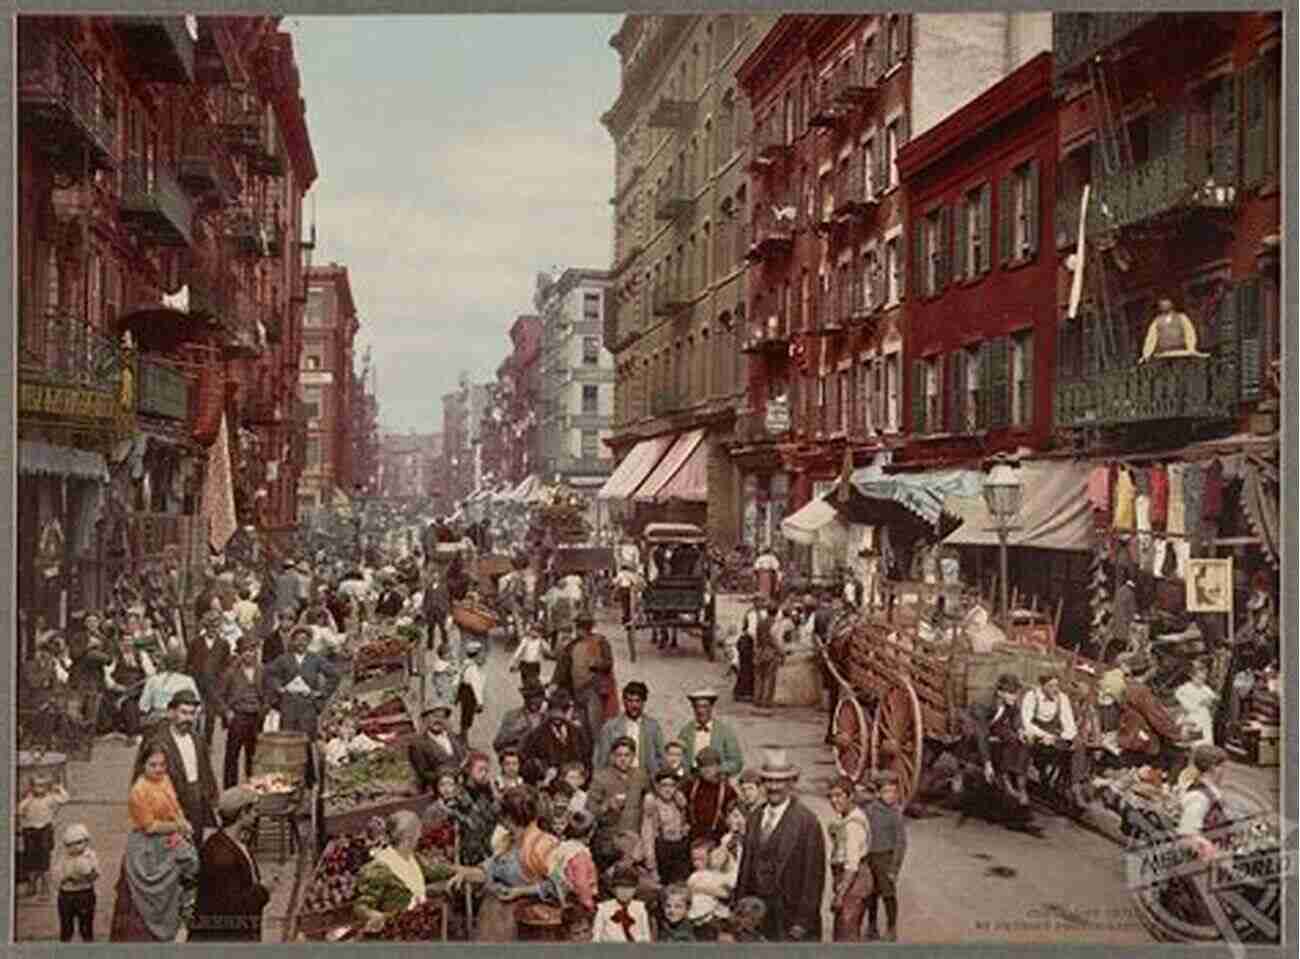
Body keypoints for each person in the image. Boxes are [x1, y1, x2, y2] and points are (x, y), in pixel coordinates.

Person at [733, 749, 827, 942]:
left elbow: (814, 878)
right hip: (757, 914)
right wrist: (739, 907)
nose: (774, 787)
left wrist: (803, 922)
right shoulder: (755, 816)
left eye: (780, 781)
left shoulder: (807, 822)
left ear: (791, 784)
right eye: (769, 781)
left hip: (789, 916)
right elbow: (746, 867)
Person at [110, 743, 200, 942]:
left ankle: (178, 921)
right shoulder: (138, 791)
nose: (159, 769)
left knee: (189, 868)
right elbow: (149, 827)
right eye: (153, 765)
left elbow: (175, 806)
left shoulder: (165, 779)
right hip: (147, 846)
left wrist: (182, 821)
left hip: (170, 836)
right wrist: (177, 828)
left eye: (162, 765)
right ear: (142, 765)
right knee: (147, 896)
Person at [354, 810, 482, 937]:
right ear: (408, 837)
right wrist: (373, 915)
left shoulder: (413, 859)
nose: (420, 836)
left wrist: (469, 871)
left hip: (415, 928)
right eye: (418, 833)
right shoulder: (378, 868)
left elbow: (439, 870)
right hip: (392, 935)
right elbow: (361, 905)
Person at [132, 689, 218, 838]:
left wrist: (211, 799)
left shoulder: (197, 740)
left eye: (192, 714)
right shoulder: (158, 742)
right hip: (169, 804)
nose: (188, 719)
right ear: (171, 713)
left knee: (194, 847)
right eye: (183, 713)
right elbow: (140, 776)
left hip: (196, 802)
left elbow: (206, 772)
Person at [189, 786, 270, 941]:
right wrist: (264, 890)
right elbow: (233, 908)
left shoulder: (229, 842)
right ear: (242, 813)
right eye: (253, 810)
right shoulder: (221, 856)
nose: (256, 814)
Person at [263, 624, 340, 785]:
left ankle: (309, 779)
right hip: (289, 707)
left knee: (306, 743)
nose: (301, 643)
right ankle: (290, 780)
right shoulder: (284, 659)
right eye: (297, 640)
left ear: (309, 642)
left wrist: (321, 693)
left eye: (304, 640)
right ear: (292, 641)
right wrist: (279, 688)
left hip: (307, 708)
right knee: (289, 744)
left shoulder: (315, 659)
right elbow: (269, 674)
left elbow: (334, 675)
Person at [967, 673, 1032, 805]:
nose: (1015, 696)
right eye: (1011, 693)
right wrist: (987, 763)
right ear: (1000, 692)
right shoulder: (983, 704)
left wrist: (1020, 730)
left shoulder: (1009, 701)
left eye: (1016, 693)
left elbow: (1016, 715)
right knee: (973, 738)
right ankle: (1002, 778)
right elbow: (981, 734)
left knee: (1015, 739)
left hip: (993, 725)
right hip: (973, 729)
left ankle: (1009, 775)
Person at [552, 613, 617, 743]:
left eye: (584, 627)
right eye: (580, 626)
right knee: (580, 728)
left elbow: (608, 663)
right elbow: (562, 667)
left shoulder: (600, 642)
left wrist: (596, 665)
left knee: (595, 727)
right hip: (576, 692)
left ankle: (598, 755)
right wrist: (554, 683)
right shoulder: (571, 646)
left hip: (594, 690)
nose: (582, 630)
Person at [215, 636, 267, 789]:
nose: (249, 654)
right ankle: (230, 791)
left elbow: (268, 693)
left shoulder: (262, 670)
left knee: (254, 755)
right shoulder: (231, 672)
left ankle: (253, 789)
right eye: (245, 651)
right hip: (238, 716)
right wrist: (227, 712)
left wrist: (265, 709)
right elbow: (219, 696)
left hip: (256, 717)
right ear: (239, 653)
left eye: (252, 650)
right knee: (232, 755)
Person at [1021, 672, 1080, 804]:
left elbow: (1069, 724)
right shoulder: (1031, 696)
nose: (1055, 689)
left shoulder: (1062, 698)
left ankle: (1075, 787)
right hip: (1035, 734)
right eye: (1051, 686)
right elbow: (1026, 722)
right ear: (1042, 686)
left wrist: (1061, 738)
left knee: (1076, 746)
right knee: (1026, 746)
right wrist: (1044, 735)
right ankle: (1021, 786)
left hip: (1053, 736)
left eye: (1057, 685)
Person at [862, 771, 907, 941]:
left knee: (888, 895)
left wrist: (894, 868)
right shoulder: (869, 810)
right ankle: (872, 926)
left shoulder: (895, 814)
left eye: (894, 792)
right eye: (887, 792)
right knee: (871, 895)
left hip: (886, 859)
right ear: (879, 793)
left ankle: (891, 927)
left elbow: (900, 843)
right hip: (870, 858)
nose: (891, 796)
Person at [826, 776, 872, 941]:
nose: (834, 801)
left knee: (846, 933)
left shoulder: (853, 825)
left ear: (850, 796)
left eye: (839, 796)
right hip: (850, 882)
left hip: (854, 883)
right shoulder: (846, 816)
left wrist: (840, 895)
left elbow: (852, 865)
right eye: (830, 796)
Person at [593, 680, 666, 776]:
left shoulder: (652, 727)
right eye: (630, 701)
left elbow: (661, 756)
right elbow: (601, 758)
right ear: (624, 701)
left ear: (643, 702)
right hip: (617, 779)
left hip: (645, 779)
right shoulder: (611, 727)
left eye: (637, 701)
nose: (634, 705)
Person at [18, 775, 70, 899]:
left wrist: (58, 788)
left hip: (44, 830)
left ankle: (45, 887)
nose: (39, 789)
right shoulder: (29, 800)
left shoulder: (50, 799)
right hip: (30, 830)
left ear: (47, 787)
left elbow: (65, 799)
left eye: (42, 785)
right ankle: (32, 885)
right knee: (30, 858)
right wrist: (28, 798)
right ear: (32, 787)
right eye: (36, 785)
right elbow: (20, 810)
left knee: (44, 858)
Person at [522, 693, 591, 785]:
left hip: (575, 780)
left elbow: (586, 756)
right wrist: (544, 770)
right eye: (553, 712)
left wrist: (581, 774)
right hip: (549, 782)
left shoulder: (577, 732)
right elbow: (528, 758)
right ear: (548, 712)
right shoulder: (537, 734)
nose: (557, 716)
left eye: (561, 712)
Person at [1177, 744, 1231, 862]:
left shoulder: (1209, 793)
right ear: (1213, 768)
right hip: (1203, 868)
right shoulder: (1198, 796)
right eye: (1223, 767)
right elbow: (1187, 833)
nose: (1225, 772)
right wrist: (1208, 849)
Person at [676, 689, 744, 778]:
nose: (700, 711)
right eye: (697, 707)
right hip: (692, 780)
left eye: (705, 706)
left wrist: (717, 770)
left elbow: (737, 762)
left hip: (717, 781)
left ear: (711, 708)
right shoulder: (685, 732)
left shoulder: (724, 732)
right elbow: (678, 758)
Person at [641, 769, 692, 886]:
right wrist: (651, 862)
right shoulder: (653, 804)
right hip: (662, 850)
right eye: (664, 785)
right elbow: (647, 833)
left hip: (679, 850)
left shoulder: (679, 803)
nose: (668, 789)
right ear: (658, 787)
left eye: (672, 785)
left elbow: (685, 824)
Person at [53, 822, 99, 941]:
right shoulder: (62, 857)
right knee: (66, 927)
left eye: (79, 842)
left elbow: (96, 874)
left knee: (86, 927)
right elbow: (56, 876)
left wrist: (88, 875)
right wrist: (65, 878)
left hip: (85, 894)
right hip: (66, 895)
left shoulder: (90, 856)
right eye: (69, 845)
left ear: (86, 842)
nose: (75, 847)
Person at [137, 648, 202, 733]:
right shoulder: (188, 681)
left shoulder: (153, 680)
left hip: (156, 720)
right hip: (178, 720)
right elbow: (198, 706)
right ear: (182, 664)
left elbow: (143, 706)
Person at [682, 747, 738, 843]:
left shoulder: (727, 790)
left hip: (717, 838)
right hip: (693, 838)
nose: (707, 769)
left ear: (718, 767)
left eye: (711, 765)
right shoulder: (691, 785)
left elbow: (734, 815)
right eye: (703, 766)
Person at [410, 705, 469, 792]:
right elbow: (423, 773)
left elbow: (465, 759)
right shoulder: (418, 745)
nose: (437, 720)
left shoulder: (455, 738)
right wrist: (447, 774)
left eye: (442, 717)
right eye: (434, 716)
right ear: (426, 719)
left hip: (462, 787)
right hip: (437, 791)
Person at [592, 866, 651, 942]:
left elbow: (646, 936)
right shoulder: (604, 909)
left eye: (629, 888)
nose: (624, 892)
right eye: (620, 887)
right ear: (614, 889)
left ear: (635, 889)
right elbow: (596, 937)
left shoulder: (640, 909)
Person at [493, 680, 548, 755]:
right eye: (528, 697)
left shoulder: (549, 717)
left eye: (537, 697)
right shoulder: (512, 716)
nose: (533, 701)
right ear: (524, 698)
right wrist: (517, 734)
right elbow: (498, 744)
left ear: (543, 698)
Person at [1140, 297, 1201, 362]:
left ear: (1172, 303)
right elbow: (1151, 338)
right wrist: (1146, 354)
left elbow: (1189, 333)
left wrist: (1191, 348)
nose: (1164, 304)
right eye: (1162, 302)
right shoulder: (1157, 321)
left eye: (1166, 301)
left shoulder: (1181, 317)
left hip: (1181, 352)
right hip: (1163, 354)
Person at [1175, 660, 1219, 747]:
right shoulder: (1184, 689)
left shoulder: (1206, 689)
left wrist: (1210, 702)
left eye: (1203, 679)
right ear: (1192, 676)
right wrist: (1199, 703)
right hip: (1190, 715)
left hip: (1203, 716)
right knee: (1186, 727)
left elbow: (1214, 699)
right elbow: (1186, 706)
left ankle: (1197, 745)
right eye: (1198, 678)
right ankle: (1187, 744)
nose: (1201, 681)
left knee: (1207, 738)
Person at [752, 600, 784, 708]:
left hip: (760, 651)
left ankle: (757, 699)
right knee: (769, 678)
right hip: (770, 652)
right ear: (776, 612)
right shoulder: (775, 624)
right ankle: (766, 701)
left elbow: (757, 638)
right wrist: (781, 652)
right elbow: (773, 639)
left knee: (759, 677)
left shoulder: (760, 622)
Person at [458, 640, 487, 741]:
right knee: (467, 716)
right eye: (481, 653)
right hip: (470, 693)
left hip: (464, 692)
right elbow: (476, 686)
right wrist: (480, 702)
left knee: (465, 715)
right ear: (476, 654)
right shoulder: (473, 668)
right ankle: (464, 739)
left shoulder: (465, 663)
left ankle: (463, 736)